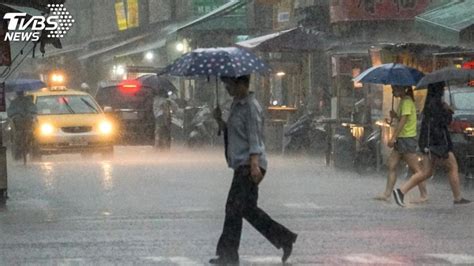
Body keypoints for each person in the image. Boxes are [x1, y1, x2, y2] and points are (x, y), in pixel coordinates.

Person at [209, 75, 297, 264]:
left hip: (250, 165)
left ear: (241, 84)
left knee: (233, 209)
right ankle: (285, 238)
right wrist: (219, 121)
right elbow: (234, 133)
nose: (226, 88)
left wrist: (255, 164)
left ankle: (228, 256)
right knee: (247, 210)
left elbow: (254, 137)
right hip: (242, 164)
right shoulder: (237, 105)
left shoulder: (250, 107)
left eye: (229, 84)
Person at [394, 82, 471, 206]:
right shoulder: (437, 105)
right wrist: (449, 111)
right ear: (439, 90)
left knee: (427, 172)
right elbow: (443, 122)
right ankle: (457, 198)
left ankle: (401, 191)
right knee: (452, 167)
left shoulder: (430, 104)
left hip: (430, 143)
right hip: (438, 143)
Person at [375, 85, 428, 203]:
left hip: (407, 139)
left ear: (403, 89)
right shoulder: (404, 102)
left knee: (416, 170)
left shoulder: (407, 102)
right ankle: (387, 194)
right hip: (402, 139)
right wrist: (395, 116)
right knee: (392, 165)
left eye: (395, 89)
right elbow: (402, 119)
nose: (393, 91)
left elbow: (403, 122)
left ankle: (424, 195)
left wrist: (393, 137)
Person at [7, 91, 37, 160]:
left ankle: (29, 145)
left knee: (32, 133)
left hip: (25, 122)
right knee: (17, 135)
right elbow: (10, 112)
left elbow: (33, 110)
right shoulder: (16, 102)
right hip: (19, 123)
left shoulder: (24, 101)